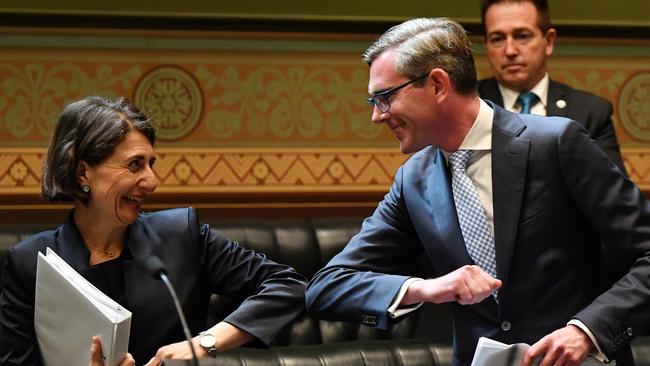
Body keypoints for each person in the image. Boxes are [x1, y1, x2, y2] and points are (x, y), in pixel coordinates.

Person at [305, 17, 650, 366]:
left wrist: (587, 329)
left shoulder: (556, 144)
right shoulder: (413, 180)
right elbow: (328, 286)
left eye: (385, 97)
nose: (377, 116)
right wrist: (427, 288)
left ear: (438, 84)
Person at [0, 96, 307, 366]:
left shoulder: (182, 235)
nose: (152, 181)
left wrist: (205, 342)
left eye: (151, 163)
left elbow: (289, 285)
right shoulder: (31, 263)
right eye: (135, 165)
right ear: (84, 173)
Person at [477, 0, 626, 174]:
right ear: (486, 45)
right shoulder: (468, 107)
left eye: (522, 36)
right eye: (497, 39)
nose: (510, 50)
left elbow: (615, 194)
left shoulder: (590, 113)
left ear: (548, 41)